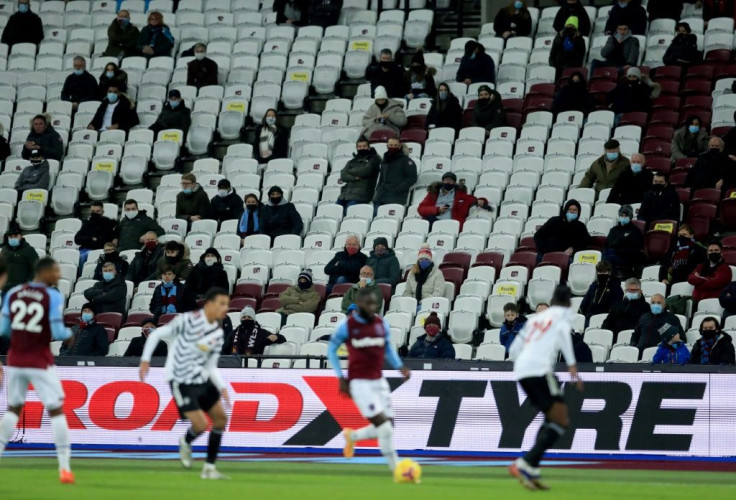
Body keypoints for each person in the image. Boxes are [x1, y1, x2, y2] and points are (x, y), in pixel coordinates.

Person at [139, 288, 231, 479]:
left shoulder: (218, 332)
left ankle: (209, 469)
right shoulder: (186, 321)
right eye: (222, 304)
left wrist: (222, 387)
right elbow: (155, 334)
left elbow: (211, 365)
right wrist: (145, 360)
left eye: (227, 304)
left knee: (221, 419)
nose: (226, 308)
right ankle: (186, 441)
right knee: (201, 424)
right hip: (181, 380)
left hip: (203, 379)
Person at [0, 257, 74, 483]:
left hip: (16, 359)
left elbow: (3, 329)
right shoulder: (52, 295)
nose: (58, 275)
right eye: (56, 271)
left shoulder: (13, 293)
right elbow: (58, 331)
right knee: (56, 410)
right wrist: (69, 336)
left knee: (13, 408)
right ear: (46, 272)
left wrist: (21, 338)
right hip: (40, 361)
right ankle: (64, 468)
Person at [508, 285, 582, 491]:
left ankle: (531, 467)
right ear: (568, 302)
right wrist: (572, 365)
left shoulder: (535, 318)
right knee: (562, 419)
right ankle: (526, 462)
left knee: (551, 418)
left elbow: (514, 349)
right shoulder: (563, 314)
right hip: (540, 370)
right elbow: (564, 336)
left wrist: (522, 364)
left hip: (522, 370)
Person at [328, 287, 410, 474]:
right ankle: (398, 470)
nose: (373, 306)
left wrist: (399, 366)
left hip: (378, 380)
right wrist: (340, 377)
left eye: (375, 303)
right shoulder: (347, 326)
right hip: (359, 384)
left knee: (388, 425)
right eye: (369, 303)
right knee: (385, 428)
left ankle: (353, 436)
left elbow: (387, 349)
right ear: (359, 304)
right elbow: (331, 350)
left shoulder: (381, 324)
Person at [417, 172, 492, 230]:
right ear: (442, 181)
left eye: (450, 180)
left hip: (452, 224)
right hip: (434, 222)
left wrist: (482, 201)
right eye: (446, 180)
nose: (448, 182)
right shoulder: (433, 194)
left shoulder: (460, 195)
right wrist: (437, 210)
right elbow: (421, 209)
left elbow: (474, 199)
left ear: (454, 182)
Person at [372, 138, 418, 209]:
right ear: (387, 146)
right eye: (391, 145)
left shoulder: (406, 161)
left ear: (399, 146)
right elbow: (382, 178)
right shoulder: (385, 160)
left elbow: (412, 177)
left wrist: (398, 189)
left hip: (396, 198)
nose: (393, 147)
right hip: (380, 197)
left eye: (395, 145)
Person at [338, 138, 381, 213]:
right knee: (335, 211)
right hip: (345, 195)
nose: (362, 148)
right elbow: (343, 175)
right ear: (357, 148)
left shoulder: (373, 160)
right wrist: (354, 178)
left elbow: (364, 171)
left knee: (349, 213)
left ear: (368, 147)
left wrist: (349, 171)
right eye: (360, 147)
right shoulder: (352, 161)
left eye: (364, 146)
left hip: (361, 195)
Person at [602, 205, 645, 273]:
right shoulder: (613, 230)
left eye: (626, 216)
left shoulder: (635, 231)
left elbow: (635, 249)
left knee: (607, 258)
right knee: (604, 254)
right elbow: (607, 244)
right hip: (613, 254)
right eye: (622, 216)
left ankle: (609, 276)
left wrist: (616, 250)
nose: (623, 218)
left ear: (630, 217)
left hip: (627, 258)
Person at [74, 201, 118, 265]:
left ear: (102, 212)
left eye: (98, 211)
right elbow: (77, 239)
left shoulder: (108, 223)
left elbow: (104, 240)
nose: (95, 213)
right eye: (93, 211)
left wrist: (91, 240)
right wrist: (91, 239)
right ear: (90, 211)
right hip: (86, 250)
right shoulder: (86, 223)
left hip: (102, 250)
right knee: (83, 256)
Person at [1, 224, 39, 293]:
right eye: (10, 237)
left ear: (21, 236)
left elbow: (35, 269)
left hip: (23, 289)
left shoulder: (29, 250)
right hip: (6, 288)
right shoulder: (4, 250)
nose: (13, 238)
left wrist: (28, 285)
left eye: (15, 236)